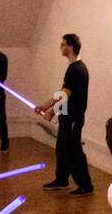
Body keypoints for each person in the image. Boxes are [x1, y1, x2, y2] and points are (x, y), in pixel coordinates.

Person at [35, 33, 93, 196]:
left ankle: (86, 185)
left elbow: (66, 94)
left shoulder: (77, 69)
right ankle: (62, 179)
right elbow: (63, 92)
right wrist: (45, 106)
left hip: (73, 118)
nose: (61, 47)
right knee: (62, 149)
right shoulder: (73, 68)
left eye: (63, 44)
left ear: (71, 47)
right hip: (67, 116)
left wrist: (50, 112)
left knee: (74, 151)